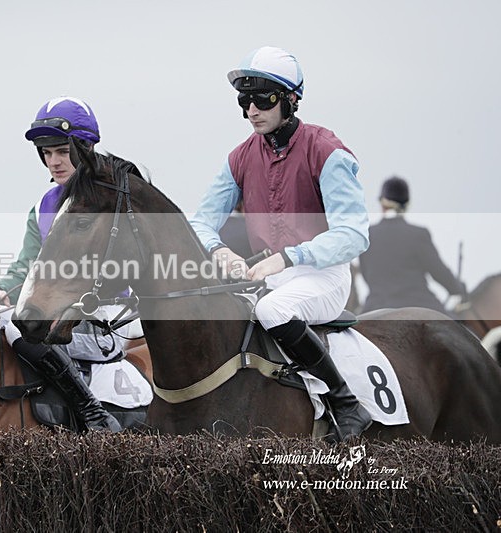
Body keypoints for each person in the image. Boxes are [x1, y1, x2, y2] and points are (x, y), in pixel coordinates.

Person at [189, 46, 372, 441]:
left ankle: (345, 403)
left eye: (262, 99)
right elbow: (200, 221)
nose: (251, 110)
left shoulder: (327, 151)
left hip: (325, 276)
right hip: (272, 275)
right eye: (244, 101)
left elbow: (355, 234)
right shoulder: (238, 157)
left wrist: (290, 257)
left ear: (290, 100)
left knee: (271, 309)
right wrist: (219, 251)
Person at [0, 96, 122, 432]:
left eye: (62, 151)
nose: (53, 161)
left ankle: (90, 411)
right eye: (46, 153)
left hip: (111, 313)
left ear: (84, 148)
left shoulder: (112, 196)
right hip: (64, 313)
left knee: (17, 324)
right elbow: (28, 264)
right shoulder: (43, 205)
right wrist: (0, 290)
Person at [359, 176, 466, 314]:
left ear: (382, 204)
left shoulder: (366, 235)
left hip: (375, 308)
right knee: (460, 332)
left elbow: (366, 274)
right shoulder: (418, 234)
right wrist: (458, 288)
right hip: (418, 305)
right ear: (407, 204)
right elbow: (438, 272)